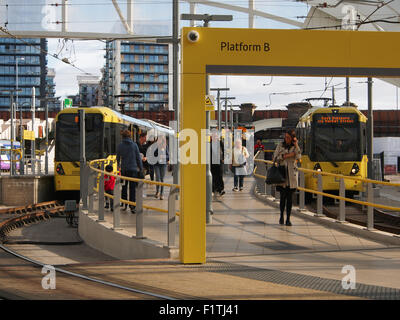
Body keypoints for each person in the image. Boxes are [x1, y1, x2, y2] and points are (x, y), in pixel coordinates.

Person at [273, 129, 301, 226]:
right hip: (282, 174)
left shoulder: (295, 146)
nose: (286, 139)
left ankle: (288, 219)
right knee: (282, 197)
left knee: (289, 199)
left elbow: (298, 156)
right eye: (285, 137)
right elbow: (275, 157)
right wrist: (286, 156)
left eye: (288, 137)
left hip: (291, 175)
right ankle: (281, 216)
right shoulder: (280, 145)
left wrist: (296, 144)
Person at [116, 129, 143, 214]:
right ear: (130, 136)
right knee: (132, 188)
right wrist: (141, 168)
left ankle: (124, 204)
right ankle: (132, 206)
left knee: (124, 187)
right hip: (133, 169)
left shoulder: (120, 145)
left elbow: (117, 158)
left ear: (122, 137)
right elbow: (138, 158)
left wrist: (118, 166)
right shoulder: (134, 145)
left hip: (124, 170)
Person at [153, 135, 169, 200]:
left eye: (161, 139)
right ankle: (157, 192)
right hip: (156, 164)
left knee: (162, 179)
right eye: (159, 139)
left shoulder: (165, 146)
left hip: (163, 164)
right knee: (157, 178)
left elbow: (168, 155)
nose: (160, 140)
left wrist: (165, 157)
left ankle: (161, 194)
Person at [211, 131, 225, 197]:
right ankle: (213, 190)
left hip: (219, 162)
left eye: (216, 136)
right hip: (211, 162)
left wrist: (223, 158)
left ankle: (221, 190)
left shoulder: (220, 142)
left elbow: (224, 150)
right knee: (213, 176)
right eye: (213, 136)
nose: (215, 137)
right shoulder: (209, 143)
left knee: (219, 175)